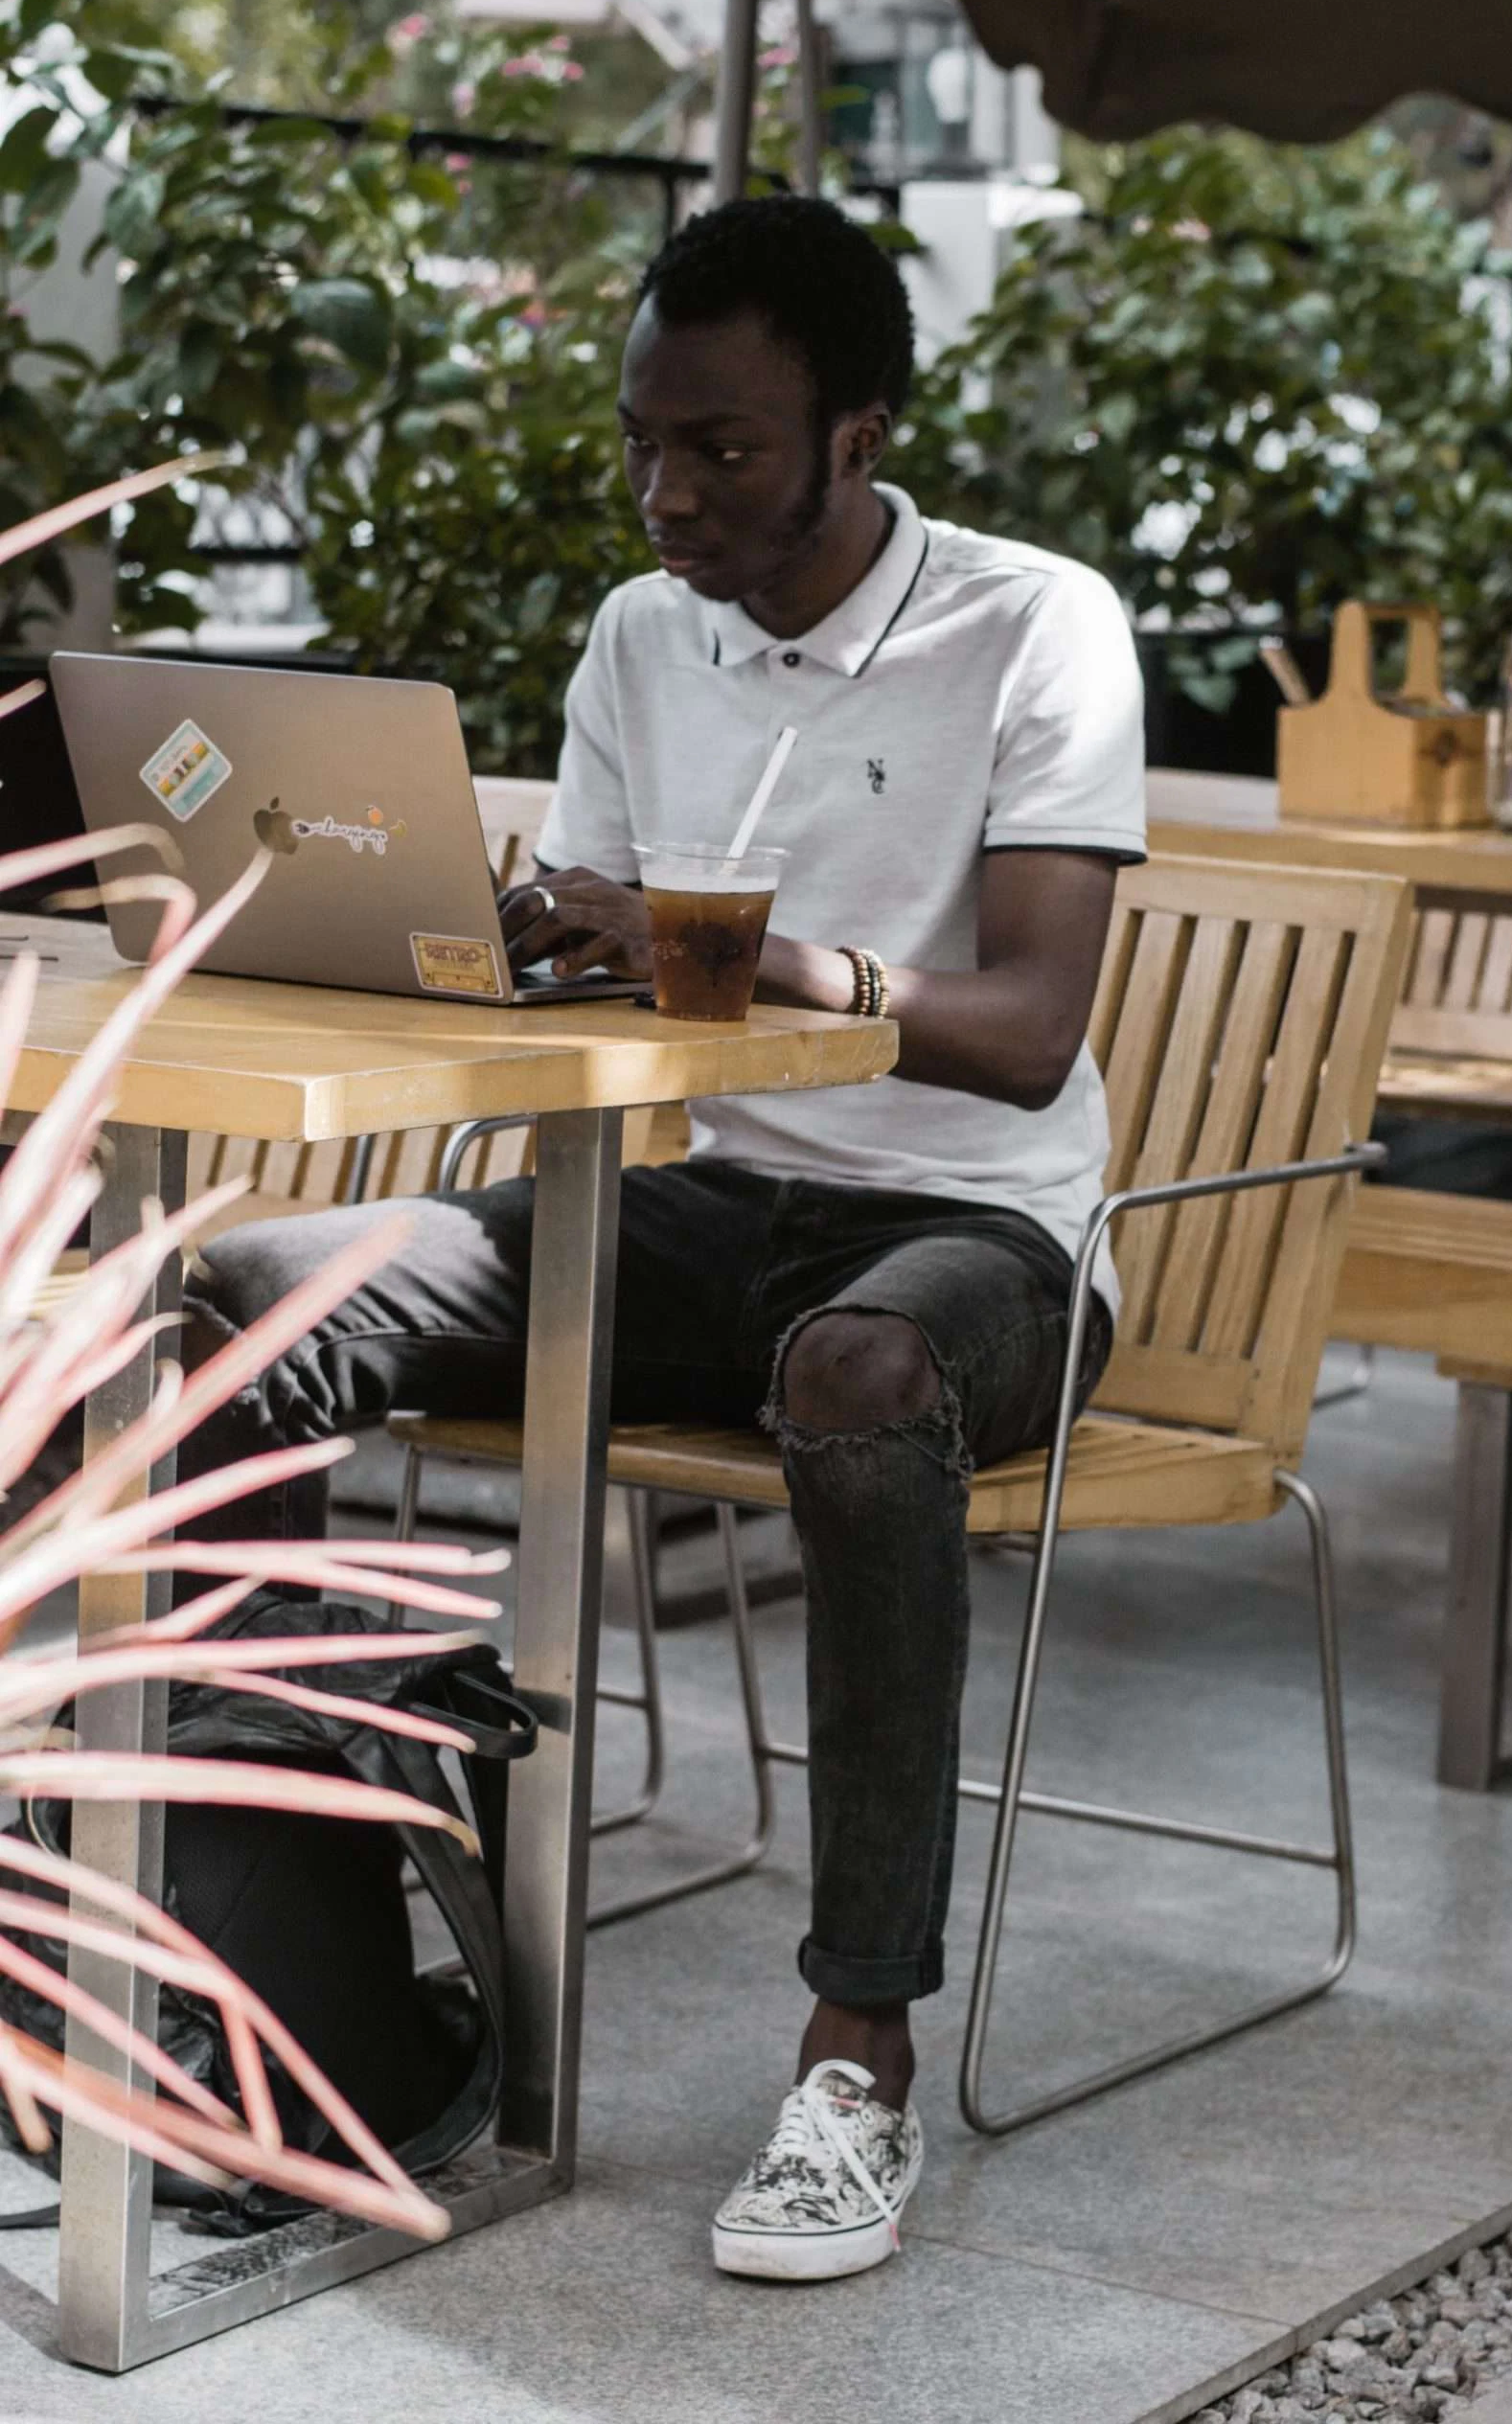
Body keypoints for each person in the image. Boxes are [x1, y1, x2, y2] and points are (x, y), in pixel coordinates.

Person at [178, 194, 1146, 2282]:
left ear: (858, 433)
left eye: (720, 447)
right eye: (645, 442)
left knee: (858, 1377)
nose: (667, 490)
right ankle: (301, 1942)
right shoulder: (641, 631)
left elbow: (1032, 1028)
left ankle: (855, 2047)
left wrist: (750, 953)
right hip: (706, 1203)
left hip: (978, 1240)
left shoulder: (1037, 623)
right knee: (248, 1297)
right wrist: (483, 946)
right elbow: (615, 987)